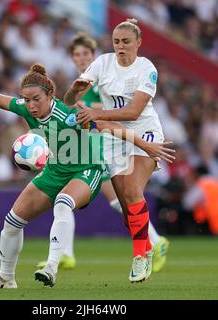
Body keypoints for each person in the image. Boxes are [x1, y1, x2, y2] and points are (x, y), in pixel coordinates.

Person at [0, 64, 175, 288]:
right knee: (11, 222)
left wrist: (146, 146)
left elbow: (108, 125)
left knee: (63, 203)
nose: (31, 105)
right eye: (26, 100)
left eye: (36, 99)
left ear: (50, 95)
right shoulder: (27, 109)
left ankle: (51, 267)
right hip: (54, 171)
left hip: (85, 170)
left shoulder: (69, 114)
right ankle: (6, 278)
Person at [37, 32, 169, 273]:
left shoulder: (114, 74)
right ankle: (66, 252)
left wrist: (92, 111)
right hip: (104, 140)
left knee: (126, 194)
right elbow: (71, 105)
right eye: (76, 55)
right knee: (115, 201)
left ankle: (151, 244)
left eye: (85, 54)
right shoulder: (88, 76)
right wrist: (73, 95)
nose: (81, 58)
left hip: (116, 137)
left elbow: (122, 112)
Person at [182, 166, 218, 236]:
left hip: (215, 216)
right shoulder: (217, 183)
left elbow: (187, 204)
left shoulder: (201, 185)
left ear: (197, 174)